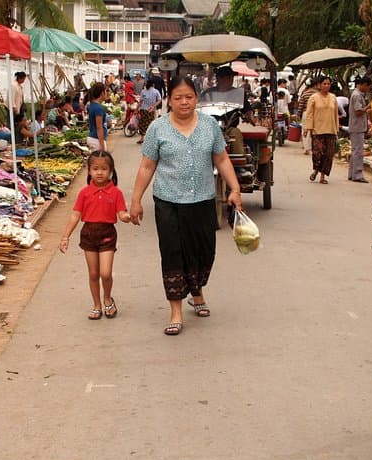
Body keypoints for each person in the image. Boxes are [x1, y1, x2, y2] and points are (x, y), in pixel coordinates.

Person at [128, 77, 243, 336]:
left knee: (203, 252)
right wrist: (135, 200)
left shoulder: (209, 125)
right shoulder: (157, 128)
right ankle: (176, 311)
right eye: (178, 97)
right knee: (173, 253)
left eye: (189, 97)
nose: (183, 102)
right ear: (169, 99)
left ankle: (197, 292)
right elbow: (147, 166)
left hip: (202, 200)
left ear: (196, 99)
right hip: (167, 201)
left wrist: (235, 189)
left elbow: (222, 159)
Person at [58, 151, 131, 320]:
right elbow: (75, 215)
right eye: (95, 168)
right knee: (93, 273)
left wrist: (128, 217)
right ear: (89, 171)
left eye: (104, 169)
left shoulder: (116, 193)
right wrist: (65, 237)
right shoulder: (84, 193)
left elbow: (122, 214)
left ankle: (107, 298)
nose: (99, 172)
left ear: (111, 171)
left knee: (105, 273)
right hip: (88, 234)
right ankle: (97, 304)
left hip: (107, 235)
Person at [304, 76, 339, 184]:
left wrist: (337, 128)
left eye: (328, 84)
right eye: (324, 84)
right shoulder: (313, 97)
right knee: (318, 153)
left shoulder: (333, 97)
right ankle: (316, 170)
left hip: (330, 129)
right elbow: (309, 114)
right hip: (317, 130)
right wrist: (307, 128)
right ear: (319, 85)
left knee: (328, 155)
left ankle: (322, 176)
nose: (326, 86)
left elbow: (335, 114)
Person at [348, 76, 372, 183]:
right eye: (367, 87)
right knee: (358, 151)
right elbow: (358, 111)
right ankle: (357, 174)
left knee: (355, 151)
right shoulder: (357, 96)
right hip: (357, 126)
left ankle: (352, 173)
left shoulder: (356, 94)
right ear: (363, 85)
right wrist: (368, 107)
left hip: (356, 126)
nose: (367, 89)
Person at [298, 77, 320, 155]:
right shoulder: (318, 94)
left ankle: (306, 148)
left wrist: (298, 114)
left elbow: (300, 105)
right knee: (314, 130)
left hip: (305, 113)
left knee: (305, 130)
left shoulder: (305, 93)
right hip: (316, 113)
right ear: (316, 85)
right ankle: (313, 147)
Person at [137, 79, 162, 145]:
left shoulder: (143, 91)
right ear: (153, 84)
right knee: (150, 124)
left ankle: (142, 138)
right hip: (151, 110)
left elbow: (140, 101)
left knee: (142, 124)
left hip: (143, 110)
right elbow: (159, 100)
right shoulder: (156, 91)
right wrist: (153, 106)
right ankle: (149, 139)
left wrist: (137, 109)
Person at [86, 83, 108, 152]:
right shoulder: (98, 108)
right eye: (106, 91)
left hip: (93, 138)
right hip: (96, 140)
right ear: (102, 93)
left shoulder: (92, 105)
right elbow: (99, 127)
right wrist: (102, 146)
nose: (107, 93)